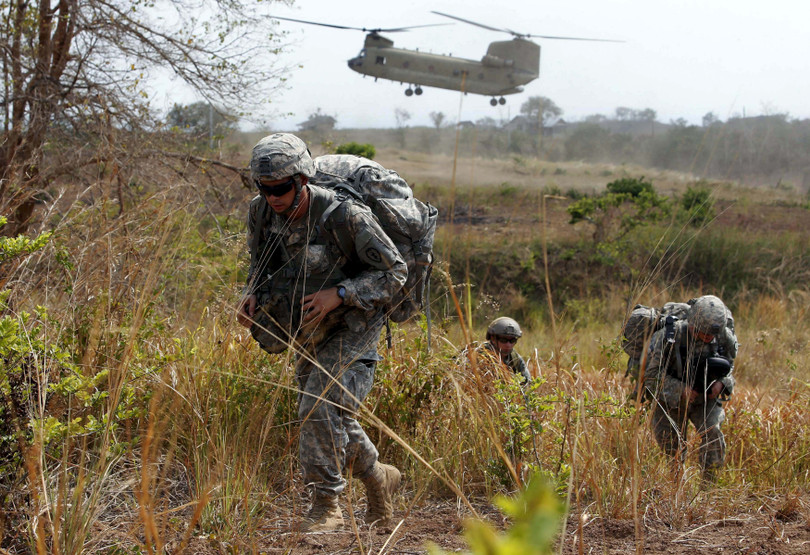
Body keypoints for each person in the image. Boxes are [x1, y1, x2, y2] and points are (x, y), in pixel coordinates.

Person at [236, 133, 408, 532]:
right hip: (307, 328)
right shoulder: (260, 213)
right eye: (265, 188)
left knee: (316, 407)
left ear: (303, 180)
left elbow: (394, 271)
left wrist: (341, 293)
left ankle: (326, 505)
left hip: (355, 325)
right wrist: (252, 295)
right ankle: (378, 477)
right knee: (332, 415)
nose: (273, 197)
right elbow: (260, 265)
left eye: (281, 188)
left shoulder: (346, 216)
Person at [643, 294, 738, 481]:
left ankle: (708, 489)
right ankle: (675, 488)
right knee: (673, 449)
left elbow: (729, 367)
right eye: (704, 333)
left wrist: (722, 383)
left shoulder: (723, 337)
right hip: (670, 398)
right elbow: (651, 376)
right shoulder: (670, 336)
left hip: (706, 397)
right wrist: (681, 390)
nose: (708, 338)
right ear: (693, 324)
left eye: (712, 335)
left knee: (713, 433)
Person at [480, 317, 531, 384]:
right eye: (503, 340)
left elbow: (527, 383)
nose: (508, 345)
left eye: (512, 340)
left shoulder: (515, 359)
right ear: (493, 339)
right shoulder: (480, 356)